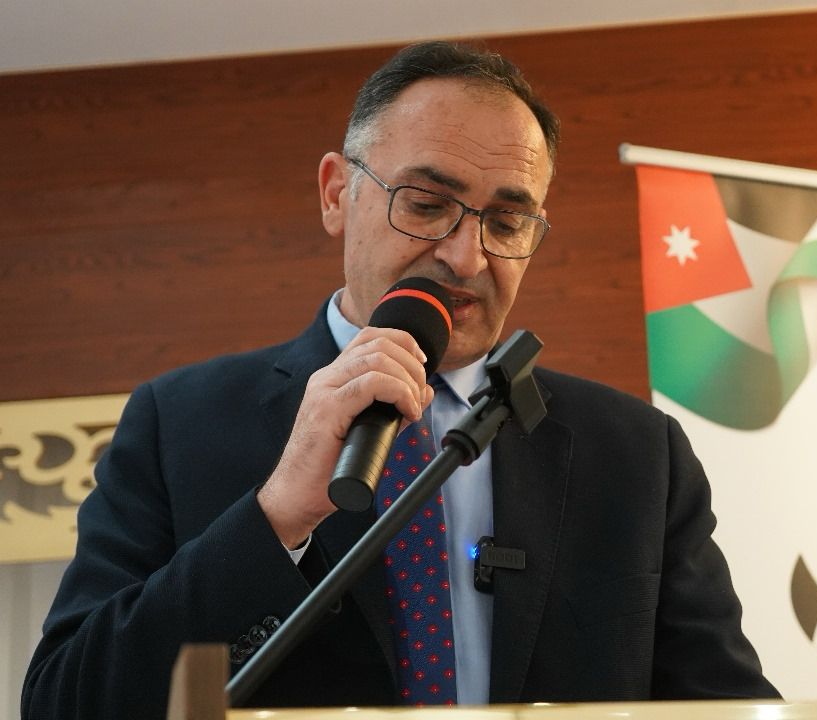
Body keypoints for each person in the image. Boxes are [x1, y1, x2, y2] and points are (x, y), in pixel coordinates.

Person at [21, 41, 777, 719]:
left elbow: (727, 707)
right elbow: (66, 701)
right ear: (336, 195)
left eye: (506, 222)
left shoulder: (637, 454)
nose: (465, 257)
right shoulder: (178, 423)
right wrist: (276, 517)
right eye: (426, 204)